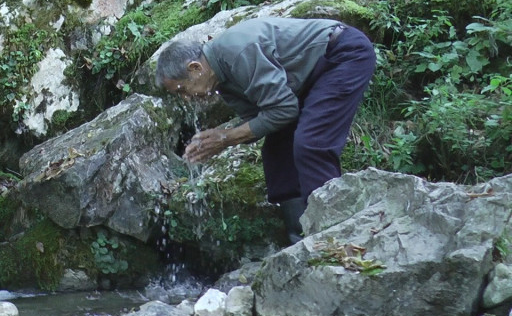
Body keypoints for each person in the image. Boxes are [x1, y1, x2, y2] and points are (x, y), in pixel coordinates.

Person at [155, 16, 376, 243]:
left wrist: (226, 138)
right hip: (308, 76)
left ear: (195, 68)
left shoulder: (237, 53)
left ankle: (333, 237)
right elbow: (261, 119)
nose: (186, 98)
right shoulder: (220, 78)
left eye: (182, 90)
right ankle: (300, 240)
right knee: (278, 150)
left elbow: (284, 110)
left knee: (311, 144)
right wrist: (218, 141)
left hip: (342, 54)